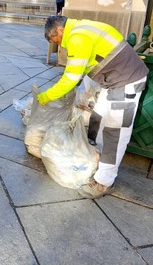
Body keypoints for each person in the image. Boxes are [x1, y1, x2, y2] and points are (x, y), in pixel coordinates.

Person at [37, 16, 148, 199]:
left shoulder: (77, 36)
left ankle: (104, 182)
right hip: (114, 81)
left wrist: (47, 96)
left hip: (126, 82)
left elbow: (70, 78)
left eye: (57, 41)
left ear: (59, 31)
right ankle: (96, 159)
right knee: (97, 118)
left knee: (115, 132)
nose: (60, 46)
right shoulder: (82, 28)